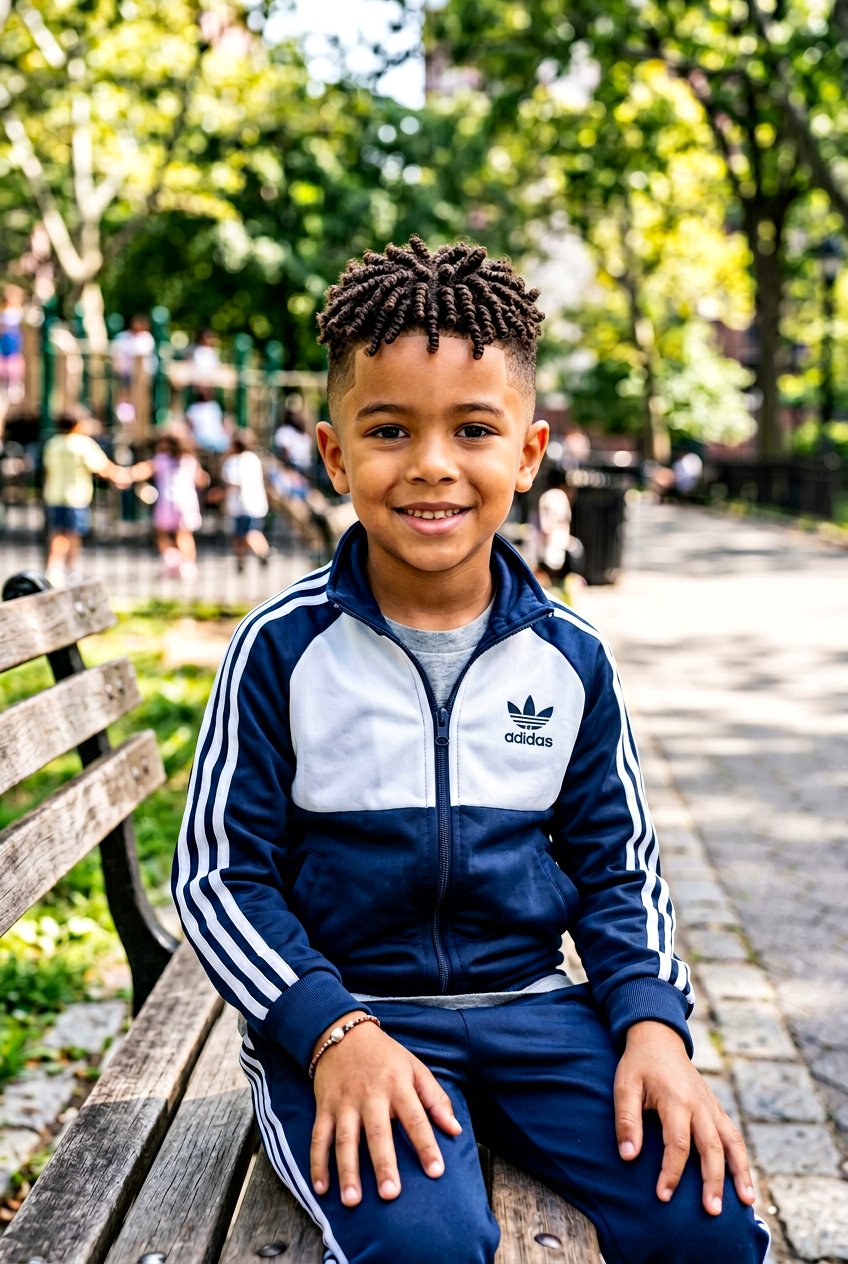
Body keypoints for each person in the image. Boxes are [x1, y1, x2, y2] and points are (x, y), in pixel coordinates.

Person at [173, 237, 770, 1264]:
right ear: (332, 453)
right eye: (390, 428)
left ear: (528, 453)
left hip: (536, 1013)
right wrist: (327, 1032)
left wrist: (651, 1027)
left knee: (705, 1224)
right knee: (423, 1247)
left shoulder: (568, 658)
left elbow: (618, 869)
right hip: (353, 1021)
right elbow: (218, 878)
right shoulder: (281, 650)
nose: (433, 463)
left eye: (474, 429)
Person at [42, 410, 129, 587]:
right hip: (76, 496)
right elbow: (102, 467)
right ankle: (70, 569)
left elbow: (46, 468)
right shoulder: (83, 444)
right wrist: (121, 476)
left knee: (57, 533)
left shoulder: (53, 444)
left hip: (54, 494)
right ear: (77, 424)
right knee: (73, 534)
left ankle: (53, 568)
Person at [130, 426, 206, 580]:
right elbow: (201, 480)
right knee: (184, 534)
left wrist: (127, 475)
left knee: (161, 532)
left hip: (167, 501)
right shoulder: (189, 460)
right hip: (187, 501)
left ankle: (172, 559)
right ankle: (188, 565)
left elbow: (142, 470)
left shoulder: (161, 460)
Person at [221, 429, 270, 571]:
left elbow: (232, 482)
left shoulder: (233, 462)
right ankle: (261, 553)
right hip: (256, 503)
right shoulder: (254, 459)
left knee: (243, 535)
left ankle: (249, 557)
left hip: (241, 505)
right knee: (252, 531)